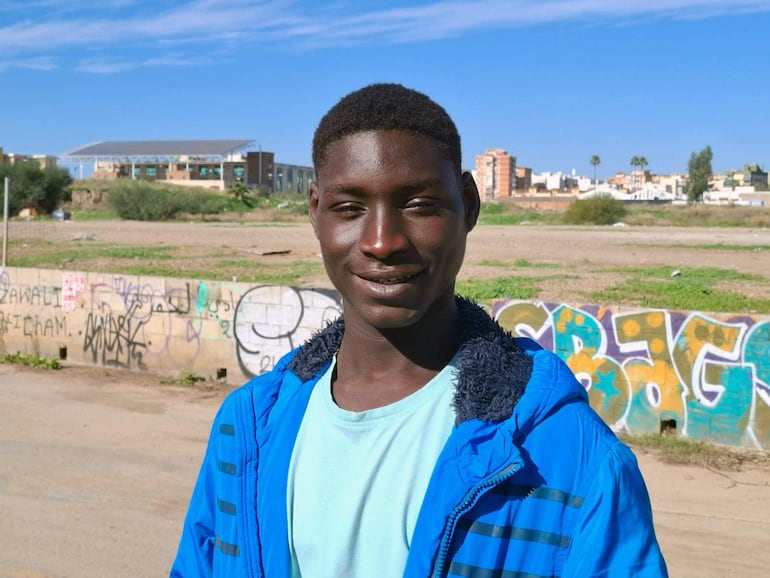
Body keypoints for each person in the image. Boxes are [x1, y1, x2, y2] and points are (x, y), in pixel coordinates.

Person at [171, 83, 668, 577]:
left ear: (468, 206)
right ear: (315, 212)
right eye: (349, 208)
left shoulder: (570, 454)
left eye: (419, 205)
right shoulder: (249, 427)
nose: (383, 242)